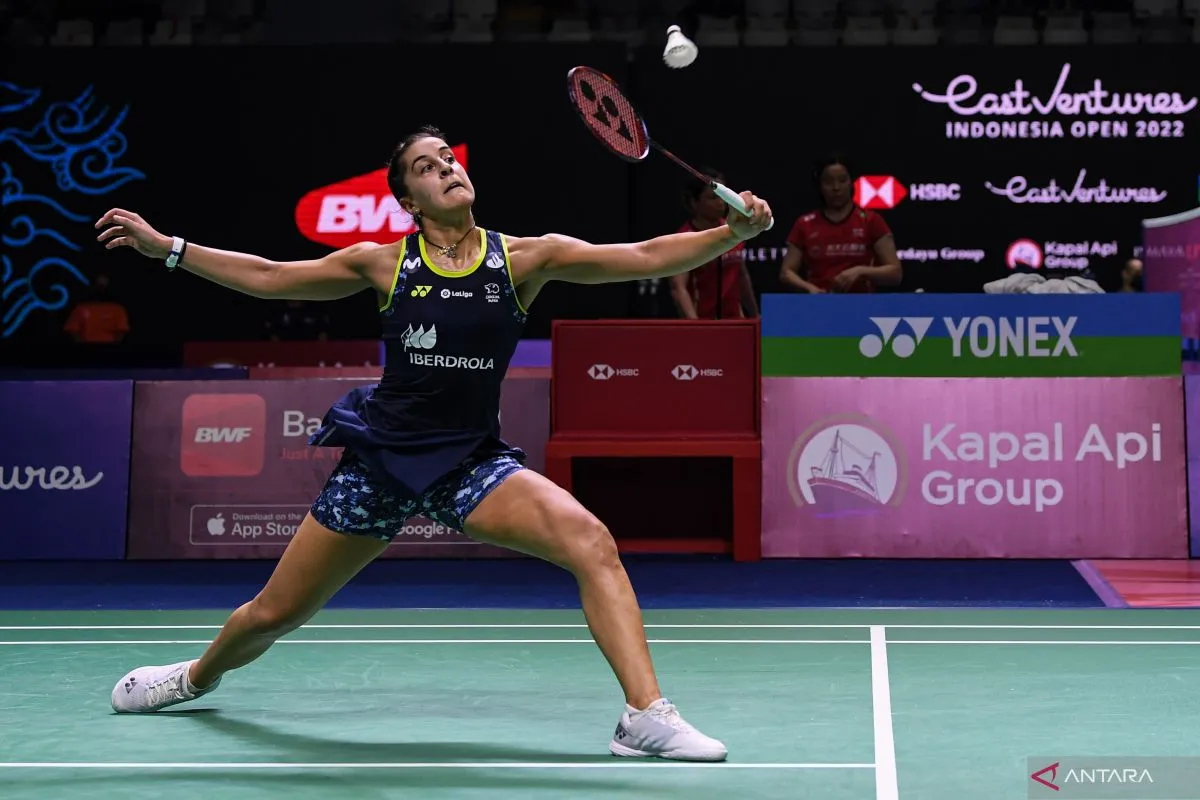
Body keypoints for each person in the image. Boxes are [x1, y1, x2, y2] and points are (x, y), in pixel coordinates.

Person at [95, 124, 772, 762]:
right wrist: (171, 249)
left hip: (468, 463)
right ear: (408, 200)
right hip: (382, 463)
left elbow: (643, 257)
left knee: (591, 542)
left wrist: (728, 234)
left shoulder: (522, 259)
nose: (446, 168)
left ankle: (644, 715)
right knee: (274, 614)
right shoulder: (384, 263)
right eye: (427, 166)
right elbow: (272, 277)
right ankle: (192, 678)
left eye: (448, 157)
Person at [779, 154, 901, 294]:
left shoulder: (871, 220)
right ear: (820, 185)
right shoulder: (805, 224)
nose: (836, 187)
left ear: (851, 182)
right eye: (828, 182)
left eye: (842, 180)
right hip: (820, 301)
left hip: (861, 302)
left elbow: (895, 272)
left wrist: (860, 271)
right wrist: (809, 288)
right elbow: (786, 272)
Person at [669, 167, 758, 320]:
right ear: (694, 202)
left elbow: (741, 275)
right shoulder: (684, 239)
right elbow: (679, 288)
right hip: (704, 323)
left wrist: (755, 315)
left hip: (735, 321)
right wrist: (696, 327)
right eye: (713, 197)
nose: (721, 202)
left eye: (723, 197)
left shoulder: (734, 231)